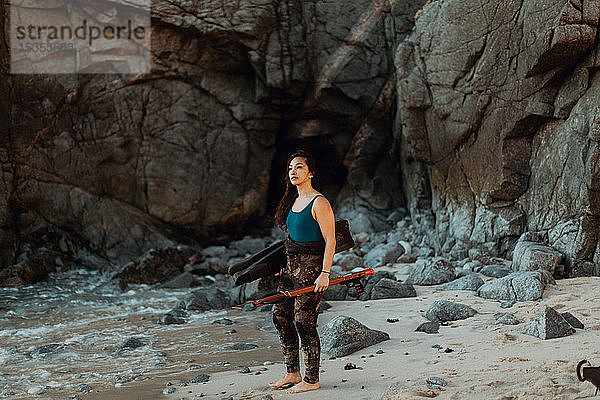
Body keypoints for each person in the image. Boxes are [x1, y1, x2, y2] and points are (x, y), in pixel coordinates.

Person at [268, 149, 336, 394]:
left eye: (298, 167)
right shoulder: (293, 201)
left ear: (311, 173)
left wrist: (325, 273)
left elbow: (330, 241)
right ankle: (292, 372)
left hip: (311, 270)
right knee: (280, 316)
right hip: (290, 269)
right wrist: (281, 267)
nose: (293, 172)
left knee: (304, 321)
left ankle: (311, 379)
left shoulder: (320, 202)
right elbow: (292, 239)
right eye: (290, 168)